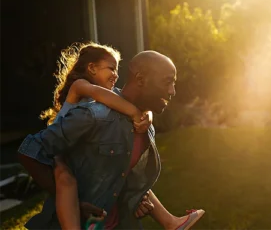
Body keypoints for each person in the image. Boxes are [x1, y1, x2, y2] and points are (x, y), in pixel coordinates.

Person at [18, 46, 204, 230]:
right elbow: (30, 152)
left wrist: (136, 198)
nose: (172, 91)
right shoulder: (94, 114)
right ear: (141, 79)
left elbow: (121, 176)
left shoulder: (145, 127)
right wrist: (74, 203)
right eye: (167, 82)